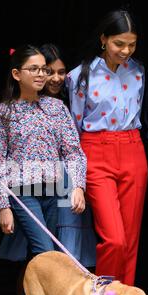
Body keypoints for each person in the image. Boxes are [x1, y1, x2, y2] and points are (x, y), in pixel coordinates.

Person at [67, 10, 148, 295]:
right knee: (112, 239)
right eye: (119, 44)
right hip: (95, 149)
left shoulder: (139, 72)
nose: (125, 51)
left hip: (132, 147)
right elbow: (74, 124)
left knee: (129, 241)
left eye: (131, 44)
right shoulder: (80, 76)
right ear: (103, 39)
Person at [0, 44, 86, 259]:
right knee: (46, 252)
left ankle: (30, 294)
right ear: (16, 74)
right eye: (34, 69)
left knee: (42, 254)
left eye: (44, 69)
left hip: (53, 191)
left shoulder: (57, 108)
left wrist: (78, 186)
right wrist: (3, 206)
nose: (41, 74)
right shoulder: (2, 113)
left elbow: (73, 152)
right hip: (22, 193)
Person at [40, 43, 97, 267]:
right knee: (39, 256)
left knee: (69, 250)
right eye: (49, 72)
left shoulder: (72, 99)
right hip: (43, 181)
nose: (56, 78)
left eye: (61, 72)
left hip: (70, 178)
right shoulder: (28, 102)